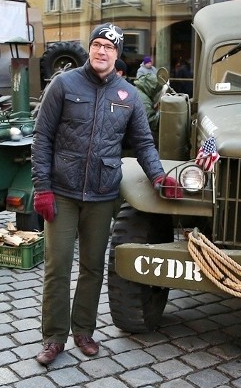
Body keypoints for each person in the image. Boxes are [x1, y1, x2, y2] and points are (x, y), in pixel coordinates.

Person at [31, 22, 182, 366]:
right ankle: (54, 338)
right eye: (97, 44)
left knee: (93, 267)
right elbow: (42, 138)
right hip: (63, 192)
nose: (102, 51)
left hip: (102, 194)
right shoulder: (64, 84)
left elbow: (143, 142)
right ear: (90, 48)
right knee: (57, 266)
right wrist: (42, 188)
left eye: (109, 47)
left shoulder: (127, 95)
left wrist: (158, 177)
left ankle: (83, 331)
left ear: (117, 54)